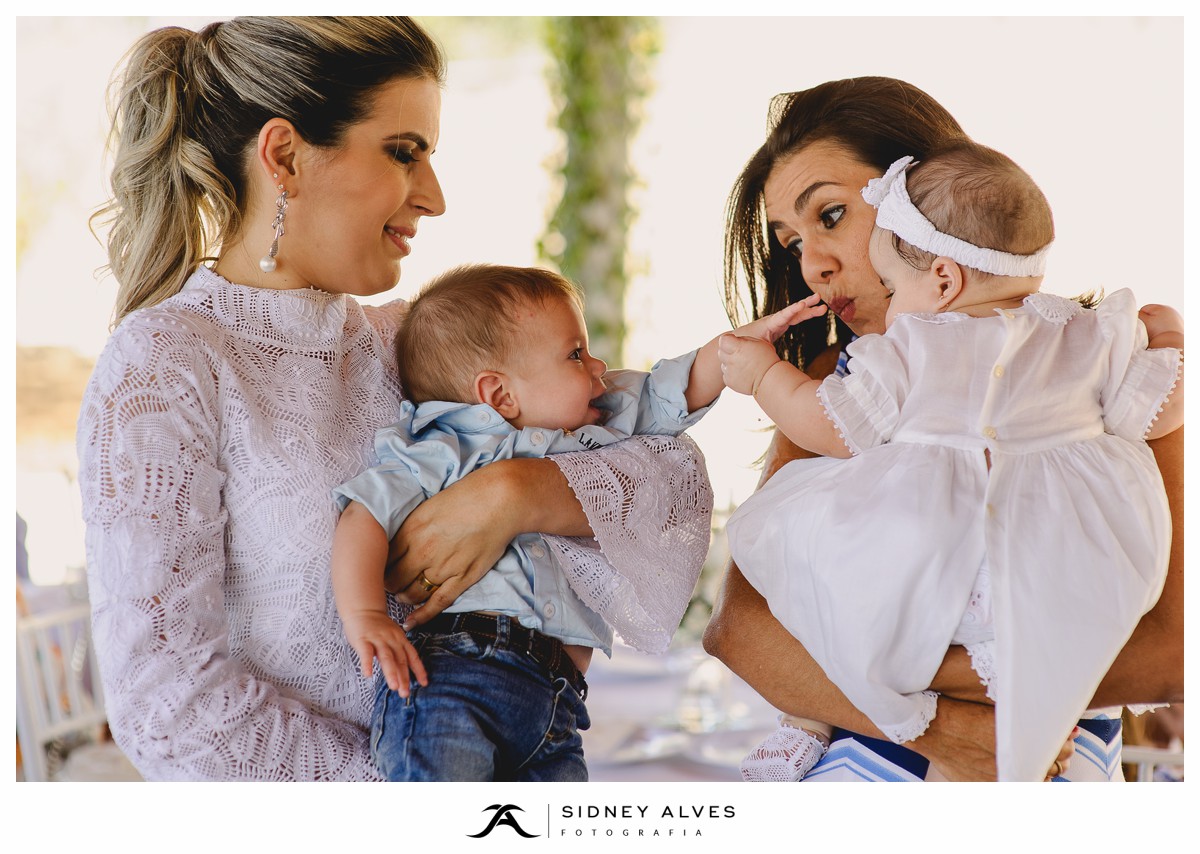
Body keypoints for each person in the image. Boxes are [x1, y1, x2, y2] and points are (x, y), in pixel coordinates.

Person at [76, 17, 714, 782]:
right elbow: (166, 706)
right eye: (404, 153)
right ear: (284, 157)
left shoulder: (406, 344)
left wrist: (522, 491)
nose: (436, 198)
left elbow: (671, 478)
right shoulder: (164, 364)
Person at [703, 76, 1185, 782]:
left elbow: (1172, 655)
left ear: (924, 202)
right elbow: (742, 633)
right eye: (791, 241)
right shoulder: (844, 375)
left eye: (831, 215)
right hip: (880, 764)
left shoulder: (1102, 362)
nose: (811, 263)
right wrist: (947, 729)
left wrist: (894, 682)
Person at [329, 263, 821, 781]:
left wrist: (734, 348)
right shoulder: (443, 448)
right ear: (499, 395)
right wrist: (365, 614)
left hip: (556, 703)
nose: (598, 365)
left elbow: (663, 393)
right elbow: (363, 515)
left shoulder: (591, 428)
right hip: (457, 677)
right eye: (575, 354)